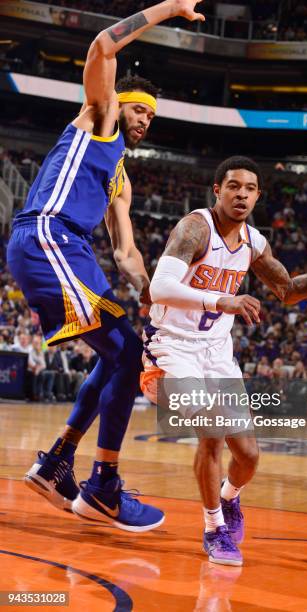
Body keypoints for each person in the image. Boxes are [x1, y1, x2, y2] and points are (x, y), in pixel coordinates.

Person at [7, 0, 205, 532]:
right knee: (126, 357)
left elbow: (126, 253)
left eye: (151, 116)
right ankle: (103, 488)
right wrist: (168, 9)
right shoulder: (101, 118)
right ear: (122, 104)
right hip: (48, 234)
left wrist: (151, 292)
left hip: (67, 248)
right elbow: (101, 46)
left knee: (124, 353)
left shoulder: (120, 175)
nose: (145, 121)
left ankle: (57, 464)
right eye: (142, 110)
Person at [141, 156, 307, 564]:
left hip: (217, 355)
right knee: (212, 429)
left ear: (258, 195)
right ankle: (213, 527)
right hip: (172, 346)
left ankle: (229, 497)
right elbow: (160, 286)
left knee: (250, 455)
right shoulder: (195, 228)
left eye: (250, 188)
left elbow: (287, 290)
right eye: (234, 186)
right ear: (217, 189)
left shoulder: (255, 242)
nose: (242, 194)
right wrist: (223, 299)